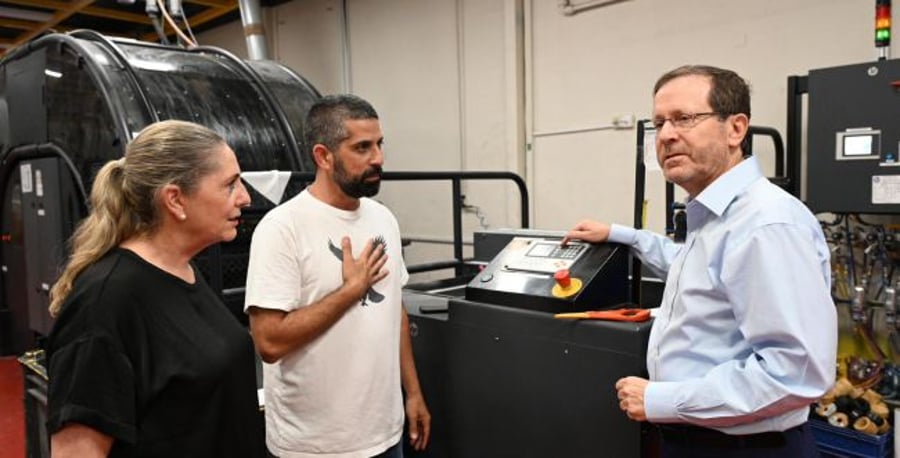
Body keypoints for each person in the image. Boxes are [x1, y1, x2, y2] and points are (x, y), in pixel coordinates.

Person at [563, 65, 836, 457]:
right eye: (659, 123)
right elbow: (695, 268)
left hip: (746, 447)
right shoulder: (716, 216)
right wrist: (621, 235)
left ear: (736, 129)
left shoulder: (766, 224)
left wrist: (661, 399)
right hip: (700, 437)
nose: (667, 135)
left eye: (685, 119)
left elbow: (797, 372)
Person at [46, 120, 264, 457]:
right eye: (230, 185)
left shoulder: (184, 270)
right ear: (175, 200)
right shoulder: (105, 300)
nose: (245, 197)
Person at [244, 94, 431, 458]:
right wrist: (350, 291)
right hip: (315, 446)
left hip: (386, 433)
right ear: (323, 156)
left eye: (379, 144)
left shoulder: (383, 219)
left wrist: (413, 394)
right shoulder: (282, 228)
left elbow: (396, 311)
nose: (378, 158)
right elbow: (269, 343)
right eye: (362, 147)